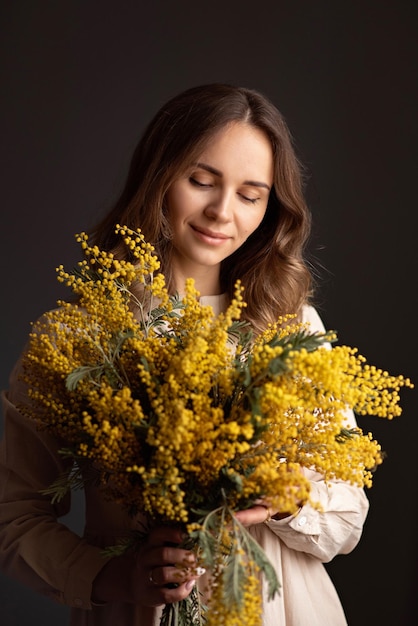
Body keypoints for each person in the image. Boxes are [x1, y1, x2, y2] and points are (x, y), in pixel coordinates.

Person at [0, 83, 369, 625]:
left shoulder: (293, 331)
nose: (221, 211)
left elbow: (348, 517)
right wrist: (115, 576)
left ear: (270, 209)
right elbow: (14, 517)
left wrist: (284, 499)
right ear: (158, 177)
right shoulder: (74, 340)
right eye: (201, 181)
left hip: (283, 608)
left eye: (251, 194)